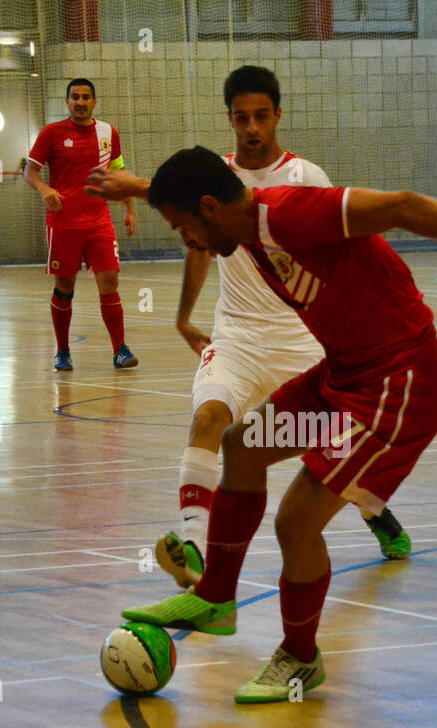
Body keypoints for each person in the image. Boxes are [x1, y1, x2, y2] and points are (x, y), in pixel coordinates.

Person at [88, 148, 437, 703]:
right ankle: (216, 596)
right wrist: (138, 189)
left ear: (209, 209)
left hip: (399, 385)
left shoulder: (289, 214)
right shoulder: (239, 224)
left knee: (296, 521)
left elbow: (404, 206)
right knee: (242, 446)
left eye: (182, 226)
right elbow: (205, 189)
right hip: (344, 375)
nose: (183, 239)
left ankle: (300, 659)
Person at [156, 66, 412, 590]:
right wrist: (184, 317)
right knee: (211, 419)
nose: (251, 127)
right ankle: (194, 546)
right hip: (237, 337)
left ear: (278, 116)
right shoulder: (213, 181)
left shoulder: (307, 178)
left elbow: (339, 258)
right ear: (228, 120)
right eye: (241, 118)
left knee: (329, 455)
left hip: (299, 340)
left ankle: (373, 508)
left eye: (261, 116)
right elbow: (199, 245)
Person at [24, 78, 138, 371]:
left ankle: (120, 350)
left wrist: (129, 208)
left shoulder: (107, 133)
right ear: (67, 102)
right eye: (75, 97)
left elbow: (119, 173)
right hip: (63, 223)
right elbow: (30, 172)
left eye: (86, 97)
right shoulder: (52, 133)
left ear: (94, 102)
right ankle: (62, 351)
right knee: (65, 287)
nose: (80, 102)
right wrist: (45, 190)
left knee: (110, 281)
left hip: (99, 221)